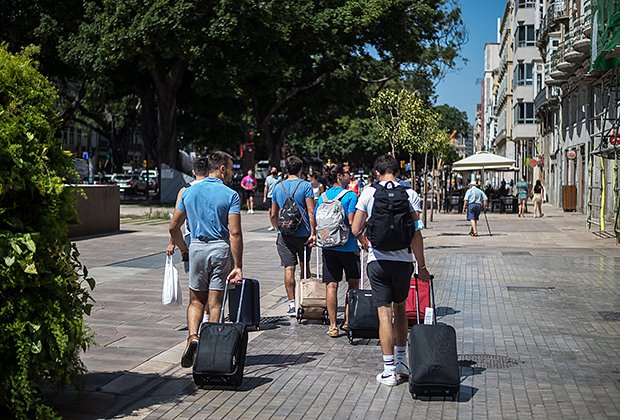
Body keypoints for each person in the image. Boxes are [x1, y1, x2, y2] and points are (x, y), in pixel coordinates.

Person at [351, 154, 430, 387]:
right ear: (398, 171)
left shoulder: (368, 193)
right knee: (400, 310)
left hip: (377, 261)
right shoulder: (411, 194)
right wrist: (422, 266)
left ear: (377, 172)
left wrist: (366, 240)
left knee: (384, 314)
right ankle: (401, 362)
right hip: (403, 262)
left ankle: (388, 370)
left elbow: (355, 228)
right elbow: (417, 233)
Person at [169, 151, 243, 368]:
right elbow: (235, 233)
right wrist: (238, 266)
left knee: (195, 301)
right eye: (229, 169)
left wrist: (184, 250)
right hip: (220, 248)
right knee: (215, 303)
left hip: (197, 248)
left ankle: (193, 337)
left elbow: (173, 226)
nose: (230, 173)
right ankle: (211, 349)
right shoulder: (230, 195)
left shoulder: (189, 192)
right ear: (221, 169)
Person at [316, 164, 360, 337]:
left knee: (331, 285)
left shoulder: (323, 197)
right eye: (348, 173)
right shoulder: (350, 196)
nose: (351, 176)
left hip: (328, 246)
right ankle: (347, 321)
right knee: (353, 283)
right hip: (348, 246)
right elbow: (351, 221)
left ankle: (332, 325)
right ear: (340, 176)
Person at [271, 156, 317, 316]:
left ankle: (291, 303)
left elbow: (273, 213)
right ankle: (304, 299)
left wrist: (278, 226)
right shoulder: (305, 186)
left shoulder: (278, 187)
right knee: (305, 267)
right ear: (300, 169)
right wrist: (313, 232)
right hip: (303, 233)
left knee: (288, 268)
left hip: (285, 234)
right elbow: (311, 211)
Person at [166, 156, 209, 321]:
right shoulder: (215, 188)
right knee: (211, 280)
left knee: (196, 280)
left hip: (192, 239)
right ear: (208, 171)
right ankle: (207, 315)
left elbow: (176, 222)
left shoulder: (185, 190)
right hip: (214, 238)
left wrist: (173, 243)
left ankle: (198, 316)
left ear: (193, 172)